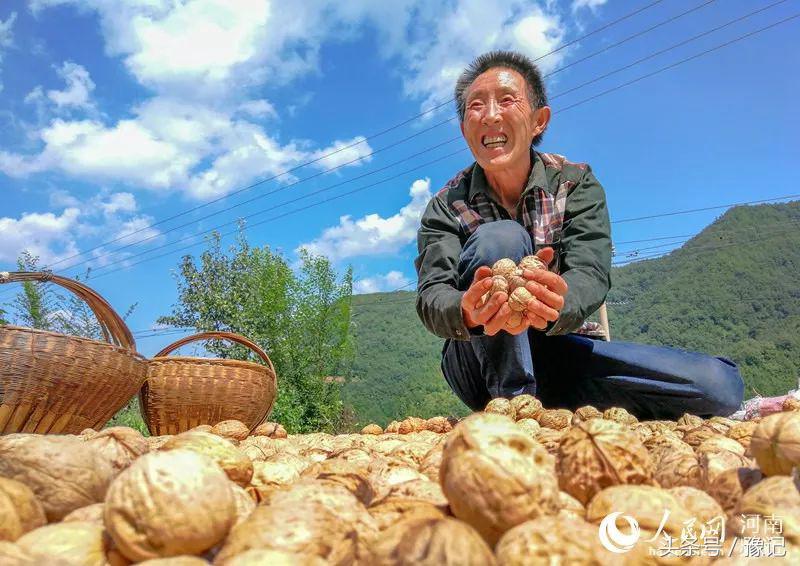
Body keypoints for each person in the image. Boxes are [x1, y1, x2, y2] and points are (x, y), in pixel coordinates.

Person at [414, 50, 743, 420]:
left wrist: (559, 300)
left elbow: (591, 271)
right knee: (500, 239)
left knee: (717, 387)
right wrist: (466, 309)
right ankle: (515, 408)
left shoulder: (575, 183)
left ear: (539, 120)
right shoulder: (446, 205)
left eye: (506, 100)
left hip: (562, 350)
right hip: (478, 363)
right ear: (464, 130)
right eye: (476, 106)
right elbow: (433, 293)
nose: (490, 115)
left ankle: (551, 405)